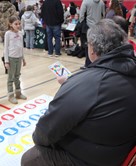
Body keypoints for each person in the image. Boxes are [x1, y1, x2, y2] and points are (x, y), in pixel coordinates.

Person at [21, 19, 136, 166]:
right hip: (121, 150)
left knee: (31, 158)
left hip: (96, 158)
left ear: (92, 50)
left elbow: (44, 133)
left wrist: (71, 85)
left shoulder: (90, 83)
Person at [4, 16, 27, 104]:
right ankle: (10, 96)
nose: (18, 26)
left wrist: (23, 58)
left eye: (19, 24)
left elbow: (21, 47)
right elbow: (5, 48)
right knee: (11, 78)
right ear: (10, 24)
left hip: (19, 57)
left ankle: (18, 93)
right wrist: (6, 61)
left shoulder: (21, 33)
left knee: (17, 76)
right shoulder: (8, 34)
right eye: (15, 24)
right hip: (11, 58)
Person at [79, 0, 105, 68]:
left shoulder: (86, 1)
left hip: (89, 27)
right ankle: (97, 63)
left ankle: (87, 64)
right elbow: (104, 15)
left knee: (88, 47)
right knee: (98, 47)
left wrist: (82, 24)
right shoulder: (101, 2)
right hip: (98, 27)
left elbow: (81, 15)